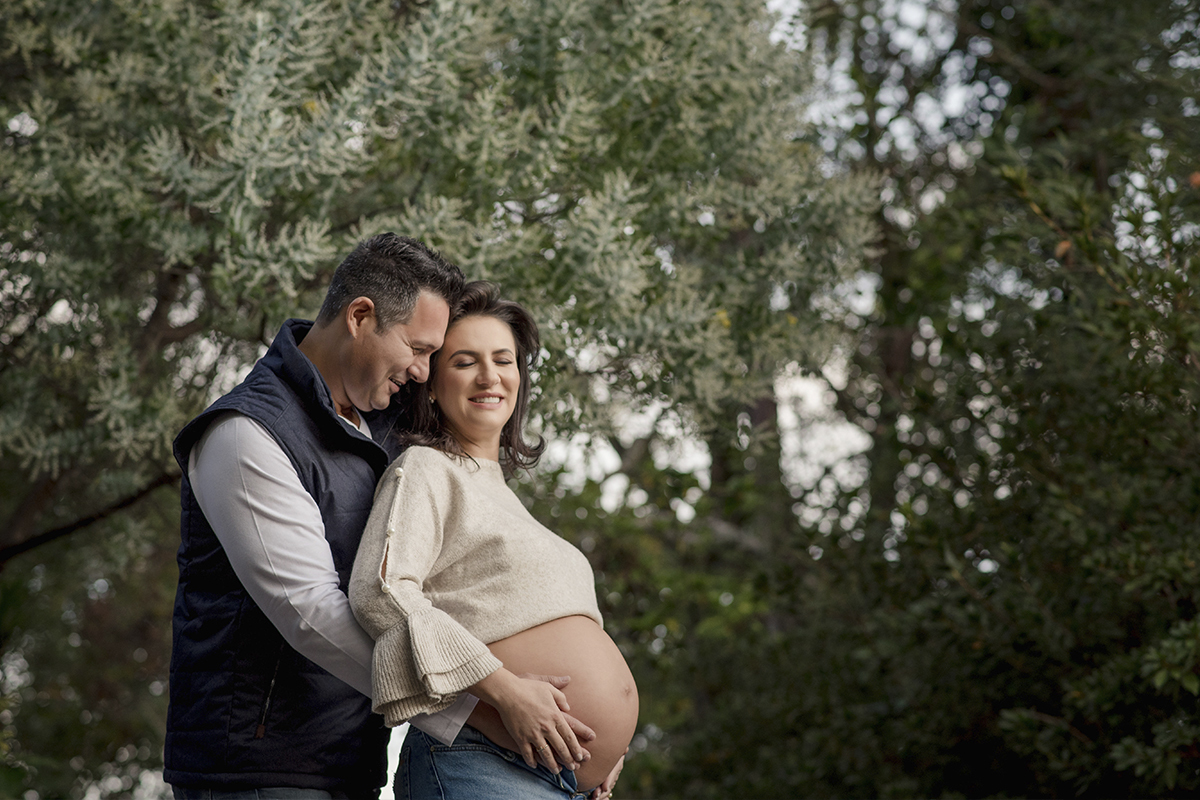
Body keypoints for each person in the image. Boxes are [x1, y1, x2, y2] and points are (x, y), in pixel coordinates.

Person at [166, 233, 490, 798]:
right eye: (416, 348)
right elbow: (310, 612)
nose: (421, 371)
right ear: (360, 316)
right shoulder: (245, 434)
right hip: (259, 775)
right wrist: (476, 712)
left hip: (352, 764)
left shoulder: (386, 428)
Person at [349, 281, 638, 799]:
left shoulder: (505, 498)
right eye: (465, 362)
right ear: (432, 386)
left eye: (503, 360)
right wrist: (506, 693)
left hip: (558, 777)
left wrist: (607, 751)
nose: (489, 376)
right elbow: (382, 591)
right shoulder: (426, 469)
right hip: (481, 761)